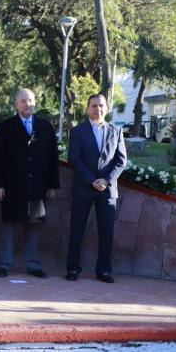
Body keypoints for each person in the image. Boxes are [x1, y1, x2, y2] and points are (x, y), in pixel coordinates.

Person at [0, 89, 60, 278]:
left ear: (35, 102)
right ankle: (4, 264)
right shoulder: (5, 126)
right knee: (8, 225)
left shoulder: (45, 127)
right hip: (12, 185)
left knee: (34, 225)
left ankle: (33, 264)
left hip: (37, 185)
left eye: (30, 100)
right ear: (16, 104)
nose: (27, 104)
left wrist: (53, 184)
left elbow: (53, 157)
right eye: (23, 101)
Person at [66, 94, 127, 283]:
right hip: (84, 187)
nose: (97, 109)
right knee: (77, 229)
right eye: (94, 105)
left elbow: (121, 160)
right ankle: (73, 268)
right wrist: (92, 180)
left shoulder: (116, 131)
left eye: (101, 105)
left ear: (107, 108)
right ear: (87, 109)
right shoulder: (77, 131)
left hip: (107, 189)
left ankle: (104, 270)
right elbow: (74, 159)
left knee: (106, 231)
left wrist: (106, 180)